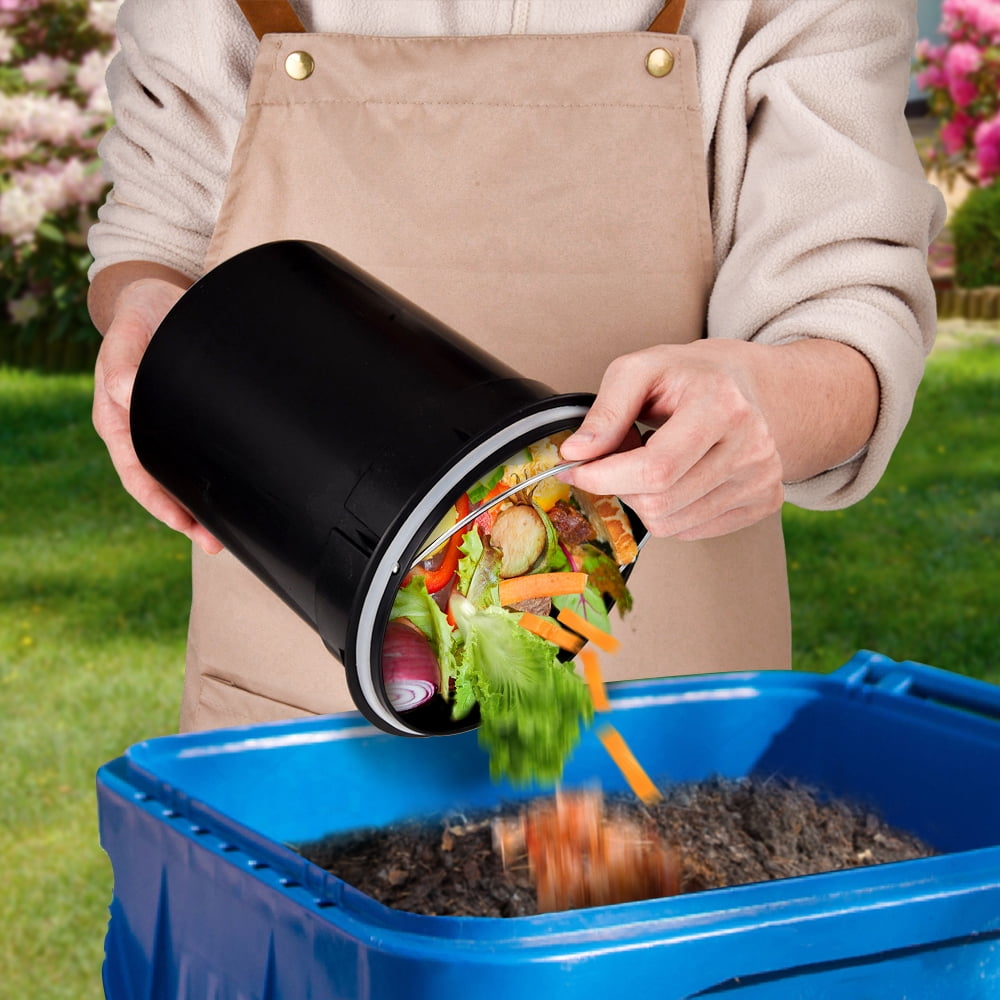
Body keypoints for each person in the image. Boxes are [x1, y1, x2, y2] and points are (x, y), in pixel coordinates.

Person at [88, 0, 945, 732]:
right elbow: (159, 225)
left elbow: (846, 300)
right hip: (291, 692)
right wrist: (146, 314)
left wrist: (771, 405)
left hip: (666, 682)